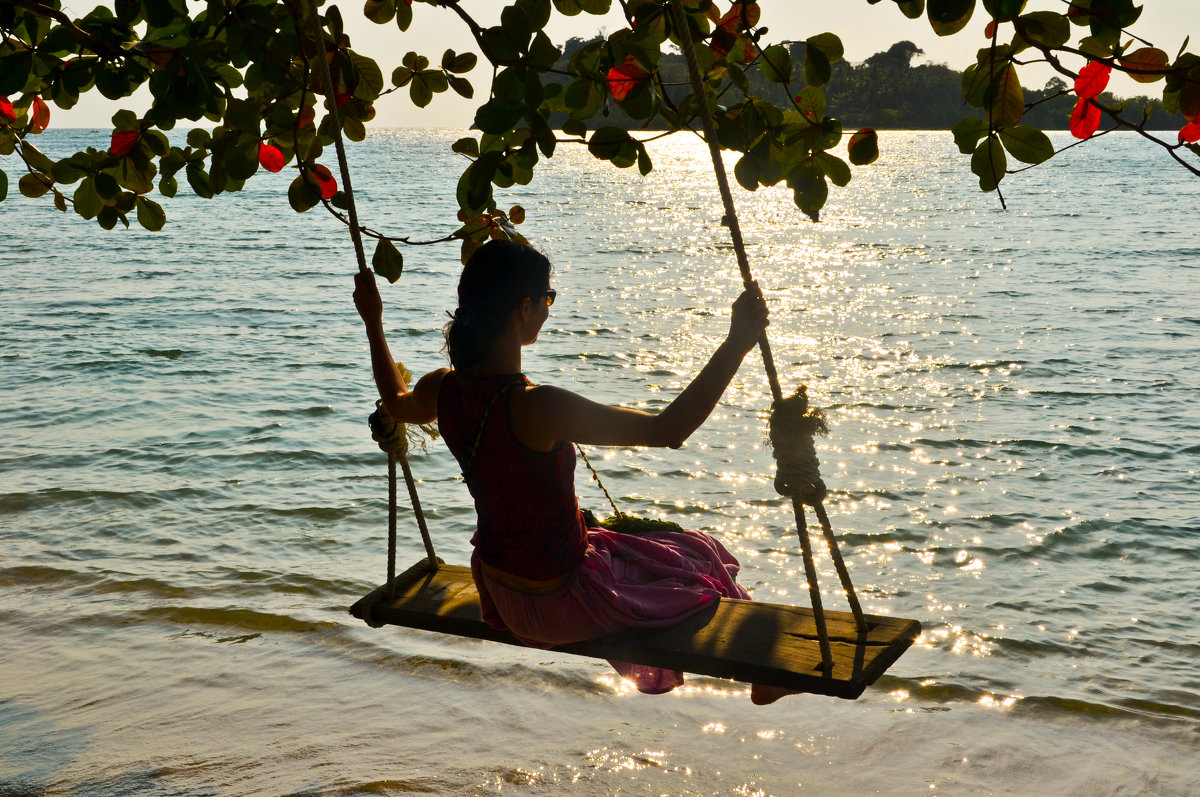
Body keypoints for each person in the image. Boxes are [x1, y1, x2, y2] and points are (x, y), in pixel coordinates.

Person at [354, 239, 792, 704]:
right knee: (694, 567)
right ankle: (765, 674)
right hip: (560, 603)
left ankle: (759, 672)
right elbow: (671, 429)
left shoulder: (442, 388)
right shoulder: (538, 407)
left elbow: (396, 401)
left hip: (502, 595)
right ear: (524, 308)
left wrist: (373, 323)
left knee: (675, 549)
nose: (549, 307)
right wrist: (737, 343)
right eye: (547, 297)